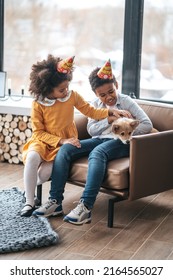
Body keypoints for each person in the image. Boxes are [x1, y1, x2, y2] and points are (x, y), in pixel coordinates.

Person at [33, 59, 153, 224]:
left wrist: (126, 129)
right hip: (99, 139)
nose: (108, 97)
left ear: (116, 85)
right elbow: (92, 130)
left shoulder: (126, 102)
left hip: (122, 141)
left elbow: (147, 124)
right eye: (102, 95)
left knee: (98, 153)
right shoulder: (95, 105)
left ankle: (86, 207)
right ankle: (55, 202)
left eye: (110, 91)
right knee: (65, 149)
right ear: (96, 94)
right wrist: (109, 121)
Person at [21, 55, 119, 217]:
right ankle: (29, 201)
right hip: (43, 140)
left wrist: (109, 111)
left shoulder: (71, 96)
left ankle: (35, 192)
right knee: (32, 158)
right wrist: (61, 140)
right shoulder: (38, 103)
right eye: (61, 89)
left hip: (63, 143)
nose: (65, 91)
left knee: (44, 174)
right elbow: (38, 132)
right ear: (47, 89)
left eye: (67, 87)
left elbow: (91, 111)